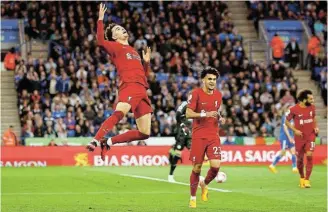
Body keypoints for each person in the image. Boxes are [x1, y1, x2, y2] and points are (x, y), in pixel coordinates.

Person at [86, 3, 153, 160]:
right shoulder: (116, 48)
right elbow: (101, 41)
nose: (122, 29)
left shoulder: (134, 51)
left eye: (122, 28)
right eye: (117, 29)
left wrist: (146, 63)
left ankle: (107, 142)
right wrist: (100, 19)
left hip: (142, 90)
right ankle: (95, 140)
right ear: (114, 37)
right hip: (129, 87)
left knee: (145, 133)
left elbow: (143, 76)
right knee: (119, 113)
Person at [186, 67, 225, 208]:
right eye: (209, 79)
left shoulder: (218, 95)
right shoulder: (195, 94)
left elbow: (215, 112)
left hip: (213, 135)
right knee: (197, 168)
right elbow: (188, 113)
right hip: (198, 136)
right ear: (203, 80)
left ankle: (204, 183)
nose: (212, 82)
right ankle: (192, 197)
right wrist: (205, 115)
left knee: (215, 167)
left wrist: (220, 118)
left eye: (214, 79)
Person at [285, 90, 319, 188]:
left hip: (310, 136)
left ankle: (307, 180)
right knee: (299, 160)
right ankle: (302, 177)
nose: (313, 100)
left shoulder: (312, 107)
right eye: (311, 99)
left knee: (309, 155)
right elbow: (287, 122)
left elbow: (314, 118)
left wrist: (315, 127)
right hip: (299, 137)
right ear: (304, 100)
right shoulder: (293, 109)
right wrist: (295, 130)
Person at [168, 101, 192, 183]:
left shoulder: (199, 106)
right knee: (178, 154)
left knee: (194, 153)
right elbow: (178, 113)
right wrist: (181, 124)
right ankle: (170, 175)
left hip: (190, 134)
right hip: (181, 133)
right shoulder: (185, 104)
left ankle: (197, 176)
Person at [269, 106, 297, 173]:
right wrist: (290, 137)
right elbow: (285, 128)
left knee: (293, 151)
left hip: (290, 136)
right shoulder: (286, 117)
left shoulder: (292, 117)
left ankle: (294, 167)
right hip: (284, 137)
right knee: (283, 152)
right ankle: (272, 165)